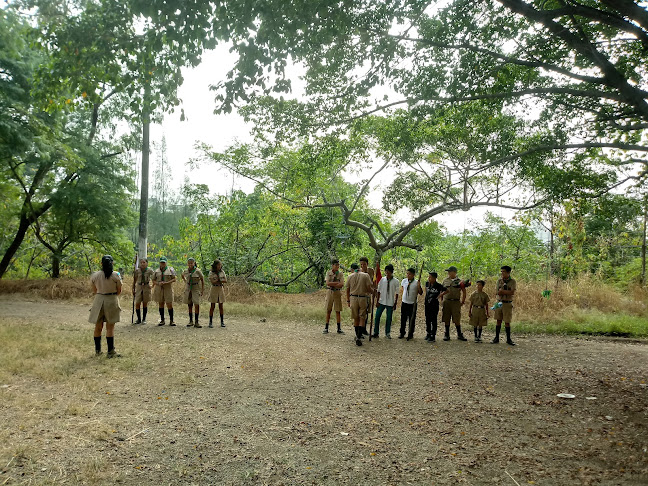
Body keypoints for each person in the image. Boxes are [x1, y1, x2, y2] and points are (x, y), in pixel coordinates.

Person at [89, 255, 122, 358]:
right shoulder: (116, 275)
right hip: (111, 300)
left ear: (101, 264)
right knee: (110, 327)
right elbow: (119, 290)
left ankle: (98, 351)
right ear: (112, 263)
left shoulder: (95, 275)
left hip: (98, 300)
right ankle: (110, 351)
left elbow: (94, 290)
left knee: (98, 326)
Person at [346, 263, 374, 346]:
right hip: (363, 298)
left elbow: (347, 289)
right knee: (362, 317)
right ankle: (359, 336)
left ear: (352, 269)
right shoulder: (366, 275)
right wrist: (374, 292)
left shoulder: (350, 276)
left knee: (356, 318)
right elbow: (369, 288)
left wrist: (348, 300)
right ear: (359, 268)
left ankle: (357, 336)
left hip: (353, 298)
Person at [440, 266, 467, 341]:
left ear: (454, 272)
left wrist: (463, 301)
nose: (448, 273)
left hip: (455, 302)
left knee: (457, 318)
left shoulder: (460, 281)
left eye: (450, 271)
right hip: (447, 301)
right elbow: (442, 291)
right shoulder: (445, 280)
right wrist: (441, 300)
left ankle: (459, 334)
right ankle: (447, 334)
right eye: (448, 271)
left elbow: (464, 291)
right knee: (446, 317)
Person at [492, 265, 517, 345]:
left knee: (507, 321)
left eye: (504, 271)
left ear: (508, 272)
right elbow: (496, 292)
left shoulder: (512, 281)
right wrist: (502, 292)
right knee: (498, 320)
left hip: (507, 303)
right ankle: (496, 338)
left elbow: (512, 292)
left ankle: (508, 339)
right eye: (501, 271)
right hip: (499, 302)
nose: (502, 273)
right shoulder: (499, 281)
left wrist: (503, 292)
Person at [373, 264, 399, 338]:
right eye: (386, 271)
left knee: (389, 318)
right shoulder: (382, 280)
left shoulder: (396, 281)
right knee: (377, 316)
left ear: (392, 272)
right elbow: (379, 291)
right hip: (382, 301)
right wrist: (377, 301)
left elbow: (397, 293)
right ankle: (376, 332)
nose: (387, 273)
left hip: (390, 302)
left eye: (389, 271)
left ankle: (387, 333)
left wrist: (395, 303)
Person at [399, 267, 423, 340]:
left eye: (409, 274)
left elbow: (421, 293)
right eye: (407, 274)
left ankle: (410, 333)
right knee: (403, 318)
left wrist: (419, 287)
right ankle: (402, 333)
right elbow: (403, 289)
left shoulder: (416, 282)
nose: (408, 275)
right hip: (404, 302)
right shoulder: (404, 281)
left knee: (411, 319)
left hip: (412, 303)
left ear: (413, 275)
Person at [152, 256, 176, 326]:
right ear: (159, 263)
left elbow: (174, 279)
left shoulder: (170, 270)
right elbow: (153, 280)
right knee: (161, 303)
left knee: (169, 304)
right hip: (159, 288)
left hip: (168, 288)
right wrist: (158, 283)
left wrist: (167, 282)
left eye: (164, 262)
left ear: (166, 263)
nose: (162, 264)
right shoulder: (156, 271)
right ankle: (162, 320)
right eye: (161, 262)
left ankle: (172, 320)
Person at [323, 259, 345, 334]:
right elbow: (328, 283)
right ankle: (326, 327)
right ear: (332, 265)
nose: (337, 266)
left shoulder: (340, 274)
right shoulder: (328, 273)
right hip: (330, 292)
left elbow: (342, 284)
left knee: (338, 310)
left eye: (338, 265)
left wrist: (334, 283)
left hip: (337, 292)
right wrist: (336, 283)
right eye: (336, 265)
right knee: (328, 310)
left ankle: (339, 328)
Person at [182, 258, 205, 328]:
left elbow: (202, 280)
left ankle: (197, 322)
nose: (190, 264)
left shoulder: (198, 271)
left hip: (196, 288)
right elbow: (182, 275)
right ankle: (191, 321)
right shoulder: (186, 271)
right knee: (189, 304)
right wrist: (185, 281)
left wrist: (202, 290)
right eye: (189, 263)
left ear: (194, 263)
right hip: (189, 288)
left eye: (191, 263)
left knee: (196, 304)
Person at [424, 271, 446, 342]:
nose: (429, 278)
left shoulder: (438, 286)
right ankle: (428, 333)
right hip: (427, 304)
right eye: (428, 277)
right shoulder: (427, 284)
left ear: (434, 278)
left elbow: (447, 290)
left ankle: (433, 335)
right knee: (427, 319)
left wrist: (440, 295)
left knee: (433, 320)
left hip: (434, 305)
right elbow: (426, 290)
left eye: (430, 277)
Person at [132, 258, 154, 324]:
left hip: (146, 287)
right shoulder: (137, 271)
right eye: (141, 262)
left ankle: (144, 319)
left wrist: (152, 285)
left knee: (145, 303)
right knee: (137, 303)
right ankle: (138, 319)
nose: (142, 264)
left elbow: (155, 278)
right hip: (139, 287)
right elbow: (134, 280)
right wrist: (133, 288)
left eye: (144, 262)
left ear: (147, 263)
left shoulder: (150, 270)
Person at [208, 260, 227, 328]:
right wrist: (219, 280)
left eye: (220, 265)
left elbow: (225, 280)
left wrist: (218, 280)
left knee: (221, 306)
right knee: (212, 306)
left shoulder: (222, 272)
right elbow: (212, 281)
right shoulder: (211, 272)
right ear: (215, 265)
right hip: (214, 289)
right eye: (218, 265)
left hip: (220, 289)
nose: (219, 266)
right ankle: (210, 322)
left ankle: (222, 322)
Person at [359, 256, 375, 336]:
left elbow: (374, 281)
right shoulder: (358, 272)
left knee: (367, 312)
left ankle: (364, 329)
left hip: (368, 295)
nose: (362, 266)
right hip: (361, 295)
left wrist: (374, 290)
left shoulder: (371, 271)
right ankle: (360, 331)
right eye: (361, 265)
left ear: (367, 264)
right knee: (361, 314)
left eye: (364, 264)